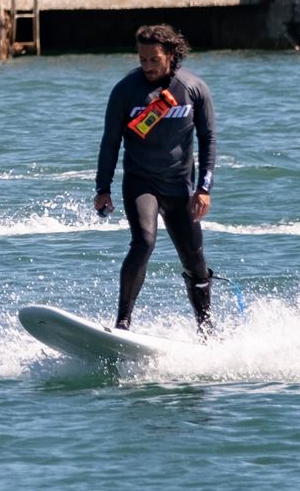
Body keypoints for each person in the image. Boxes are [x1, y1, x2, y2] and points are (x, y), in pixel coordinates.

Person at [92, 23, 216, 332]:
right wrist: (102, 187)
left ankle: (206, 329)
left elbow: (208, 139)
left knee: (195, 261)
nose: (147, 66)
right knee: (143, 242)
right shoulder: (125, 91)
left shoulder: (193, 89)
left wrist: (204, 188)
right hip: (141, 182)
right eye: (142, 59)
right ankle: (123, 323)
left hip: (180, 187)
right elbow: (110, 142)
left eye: (154, 60)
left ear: (171, 56)